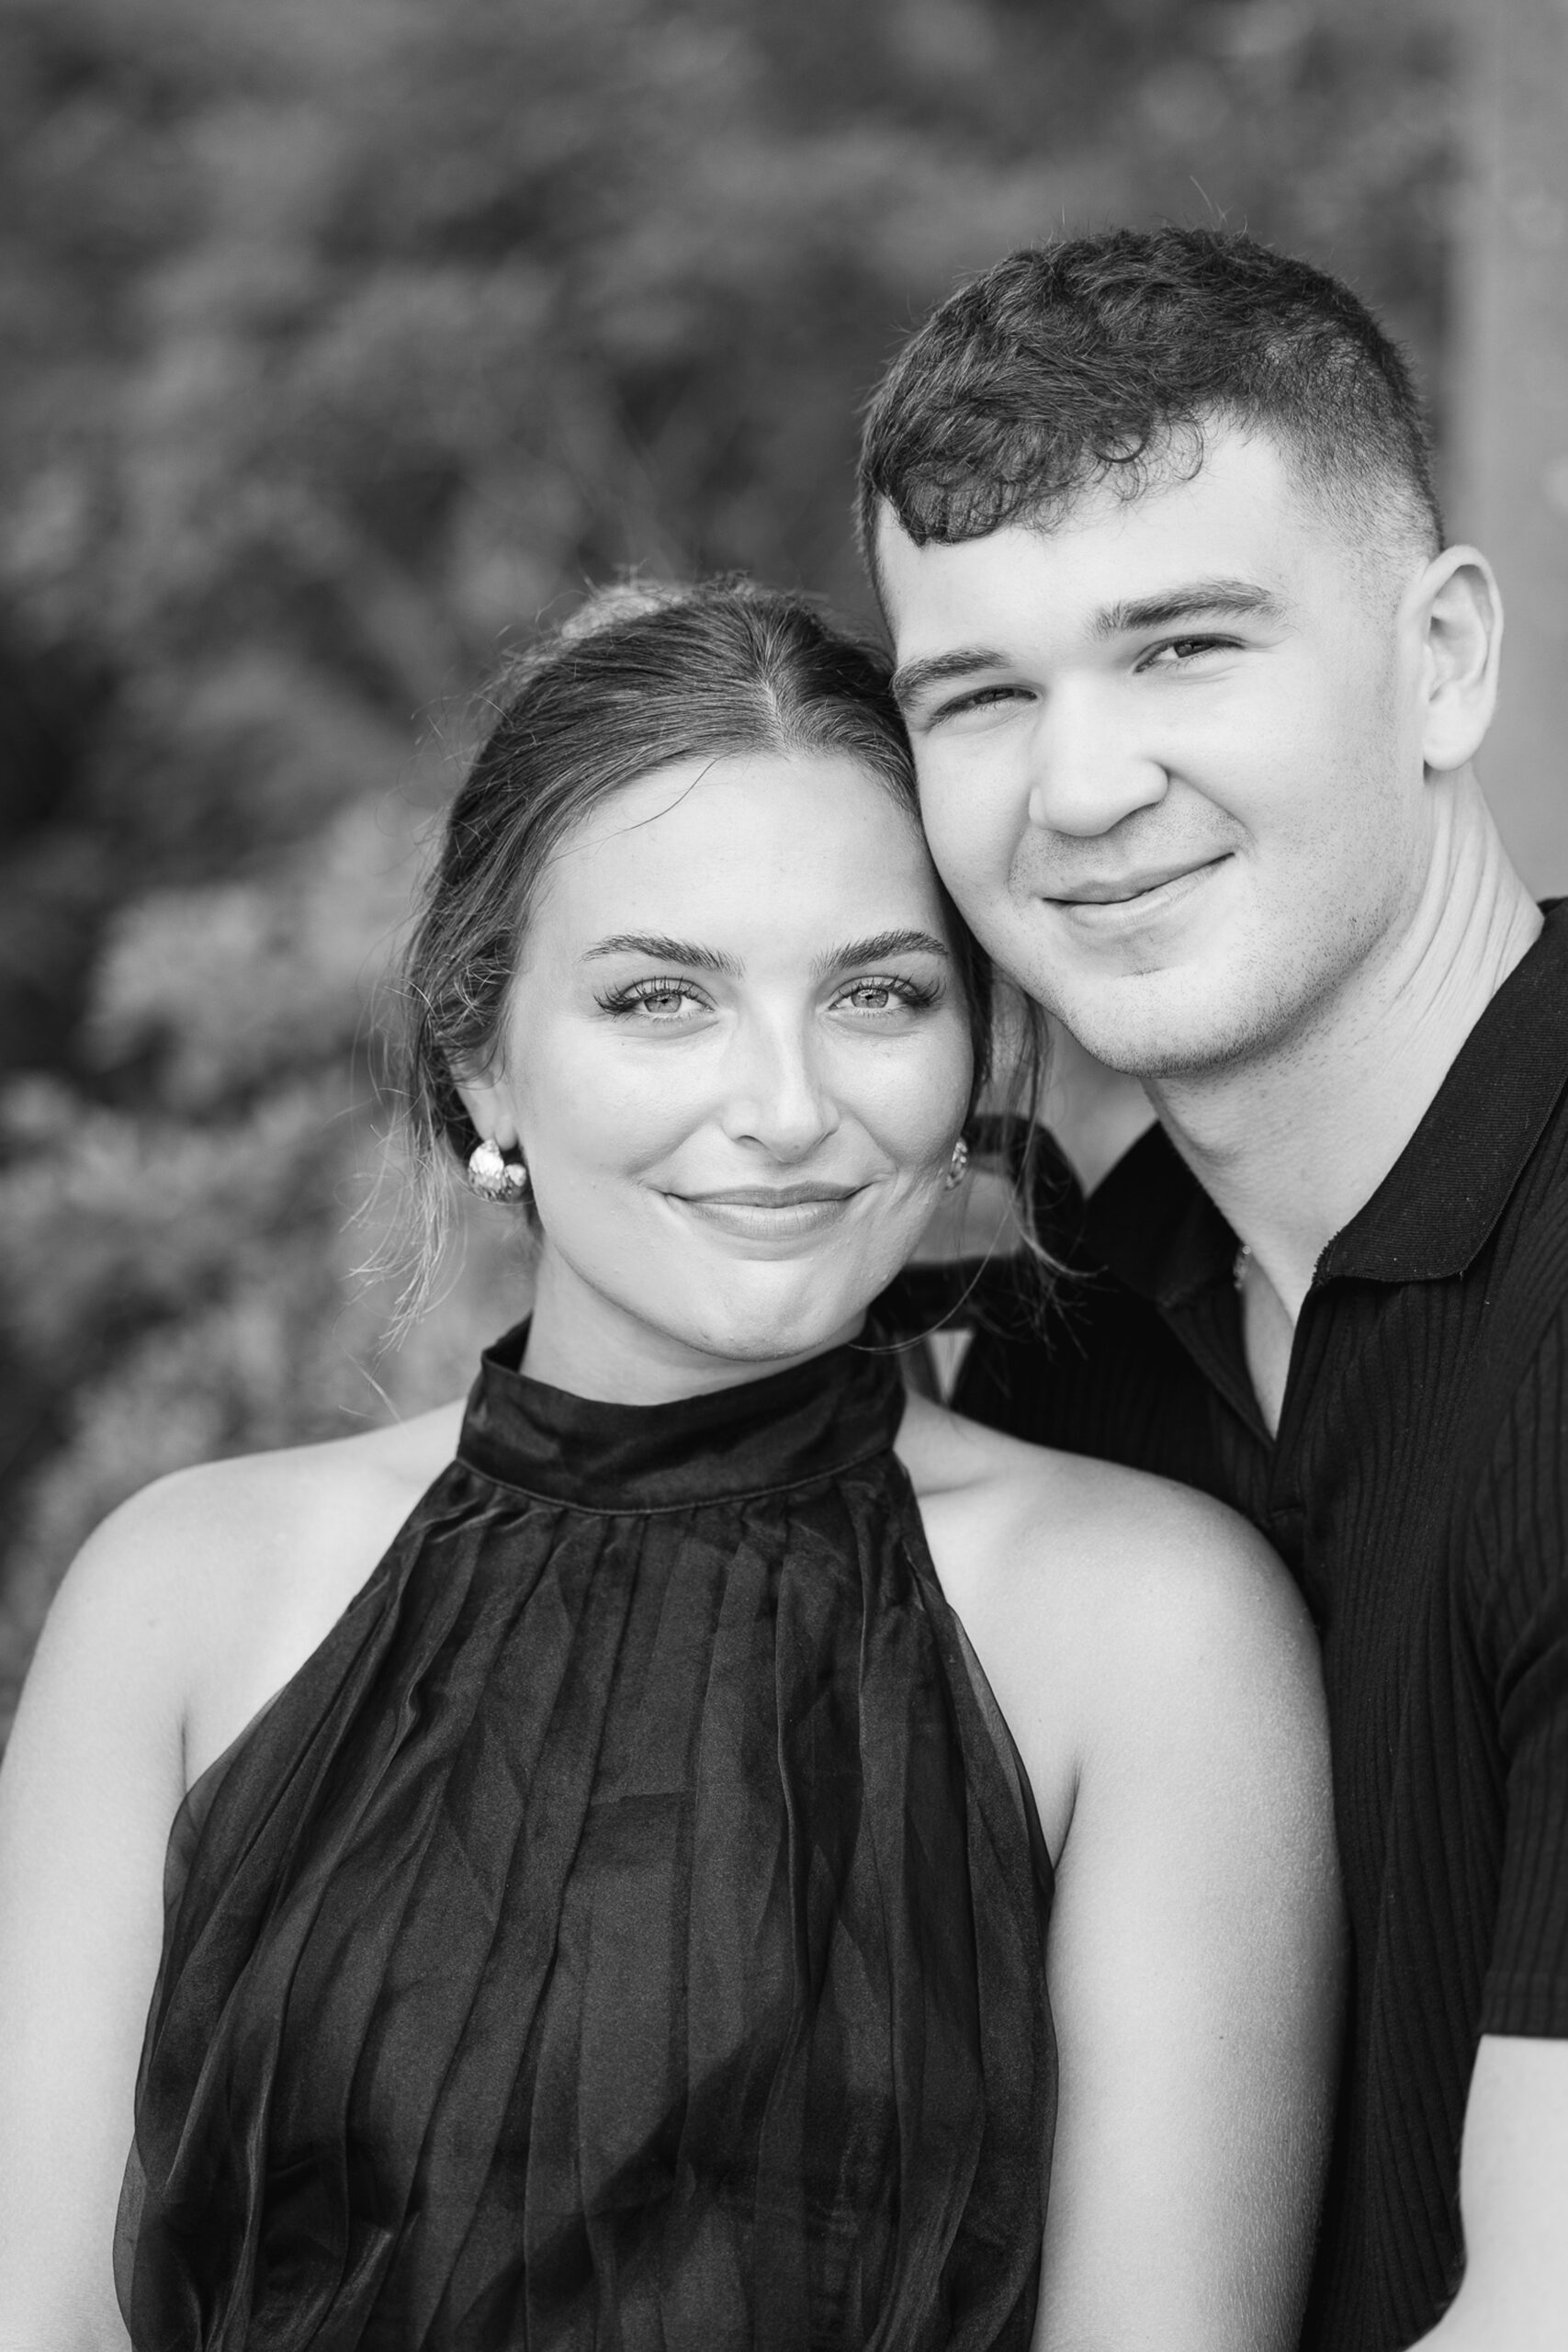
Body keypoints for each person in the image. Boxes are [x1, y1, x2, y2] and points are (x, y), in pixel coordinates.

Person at [0, 581, 1337, 2350]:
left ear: (974, 1049)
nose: (786, 1108)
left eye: (875, 992)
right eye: (660, 1001)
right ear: (482, 1056)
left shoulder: (1149, 1628)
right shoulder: (181, 1596)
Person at [858, 226, 1568, 2352]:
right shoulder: (1064, 1353)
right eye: (977, 695)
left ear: (1441, 659)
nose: (1077, 789)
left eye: (1179, 647)